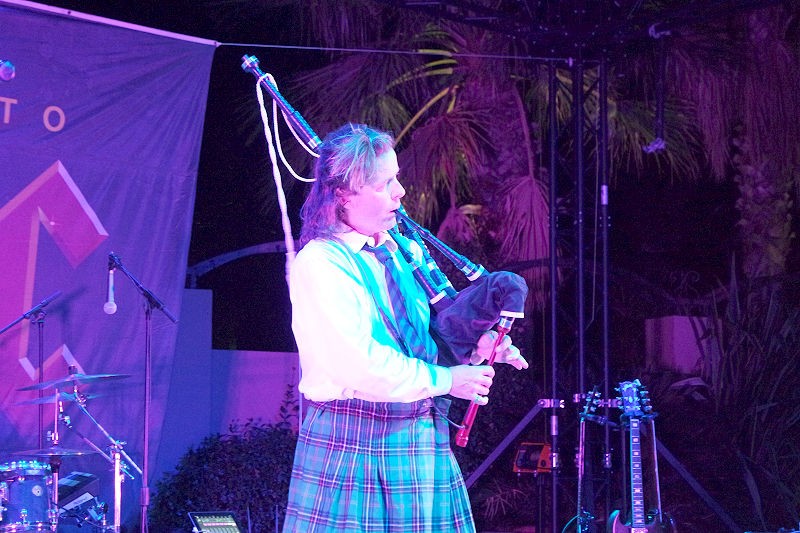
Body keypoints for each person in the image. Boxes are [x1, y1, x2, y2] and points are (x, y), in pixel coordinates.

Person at [283, 123, 528, 533]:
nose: (400, 191)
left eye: (396, 177)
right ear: (343, 194)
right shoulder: (322, 264)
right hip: (354, 442)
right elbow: (359, 365)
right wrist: (448, 380)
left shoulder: (403, 251)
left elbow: (428, 336)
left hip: (420, 435)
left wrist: (479, 346)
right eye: (384, 184)